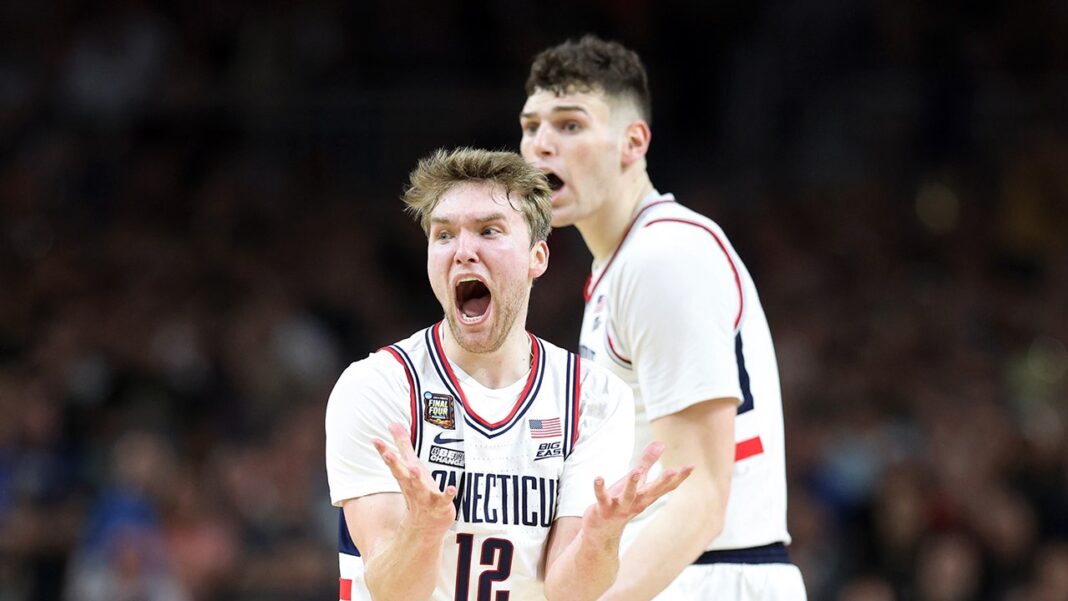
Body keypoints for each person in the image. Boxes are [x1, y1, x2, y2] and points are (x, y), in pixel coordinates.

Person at [324, 147, 692, 601]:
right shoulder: (376, 386)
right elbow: (393, 591)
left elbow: (568, 591)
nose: (463, 251)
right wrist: (422, 530)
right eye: (444, 235)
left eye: (489, 231)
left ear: (537, 256)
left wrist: (601, 539)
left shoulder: (592, 396)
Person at [519, 36, 807, 600]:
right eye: (531, 127)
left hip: (712, 576)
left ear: (633, 142)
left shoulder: (663, 257)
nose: (541, 146)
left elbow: (698, 497)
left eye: (570, 125)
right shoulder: (622, 264)